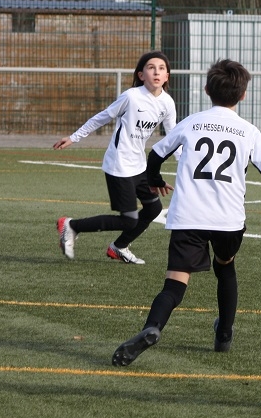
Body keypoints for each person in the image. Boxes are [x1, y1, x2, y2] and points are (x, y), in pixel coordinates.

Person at [112, 59, 261, 367]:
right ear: (243, 95)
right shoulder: (248, 131)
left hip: (188, 216)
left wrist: (154, 179)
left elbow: (156, 154)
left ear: (206, 90)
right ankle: (224, 333)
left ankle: (152, 327)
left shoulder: (191, 122)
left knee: (175, 284)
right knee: (225, 267)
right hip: (228, 220)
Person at [54, 51, 178, 265]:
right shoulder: (131, 97)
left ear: (167, 76)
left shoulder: (167, 103)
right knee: (129, 220)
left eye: (161, 68)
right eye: (151, 68)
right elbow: (102, 117)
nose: (156, 72)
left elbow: (173, 137)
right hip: (118, 165)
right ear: (141, 75)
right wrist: (74, 137)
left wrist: (186, 163)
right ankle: (72, 225)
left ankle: (119, 247)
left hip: (139, 166)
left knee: (153, 209)